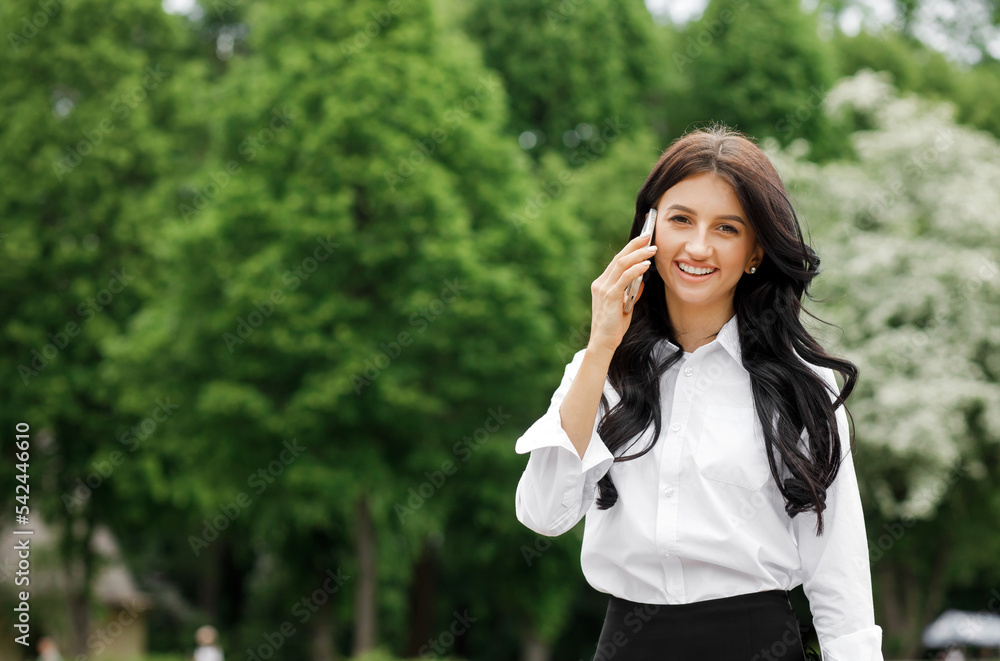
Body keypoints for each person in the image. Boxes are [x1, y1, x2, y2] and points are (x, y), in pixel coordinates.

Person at [514, 124, 884, 661]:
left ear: (756, 250)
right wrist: (599, 349)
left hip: (757, 641)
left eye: (727, 228)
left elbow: (838, 569)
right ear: (648, 229)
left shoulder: (800, 384)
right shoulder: (599, 369)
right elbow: (544, 513)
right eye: (680, 219)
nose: (697, 246)